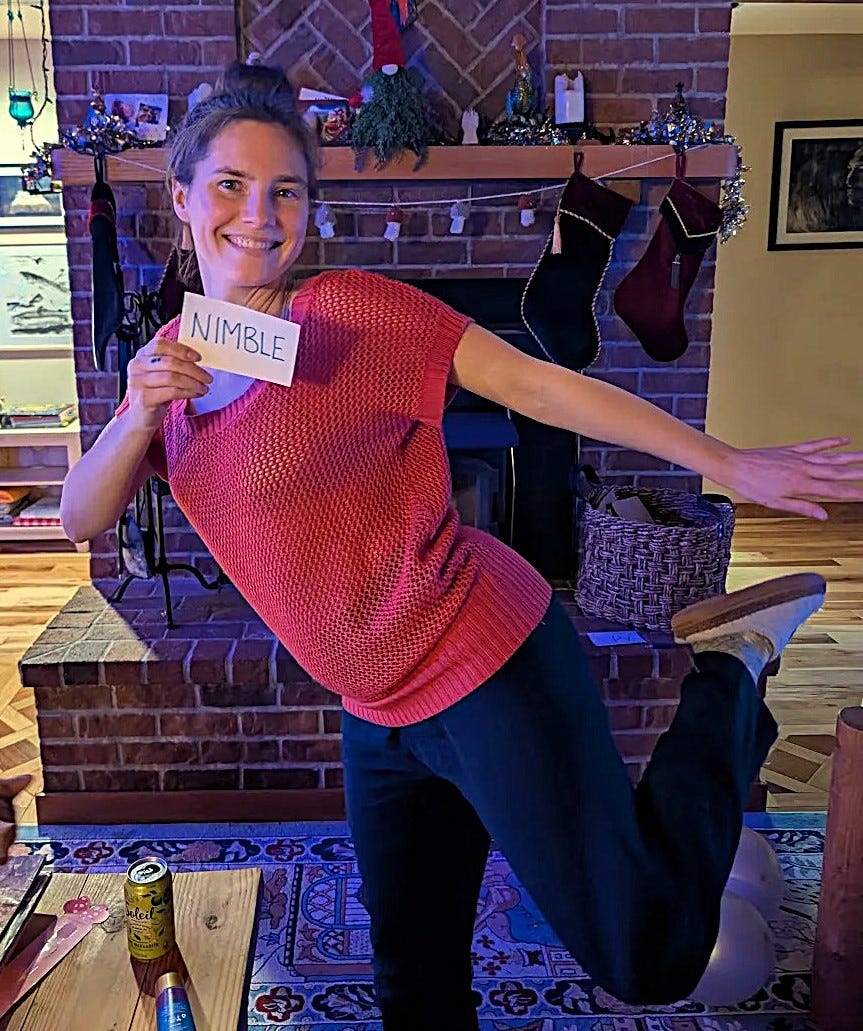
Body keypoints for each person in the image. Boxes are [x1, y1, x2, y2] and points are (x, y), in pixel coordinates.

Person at [56, 60, 863, 1028]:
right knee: (413, 976)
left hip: (484, 658)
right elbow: (79, 516)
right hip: (375, 709)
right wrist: (138, 412)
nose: (258, 215)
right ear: (182, 196)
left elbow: (534, 385)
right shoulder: (171, 370)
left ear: (309, 208)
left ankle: (731, 663)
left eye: (287, 191)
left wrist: (725, 459)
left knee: (647, 950)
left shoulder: (345, 314)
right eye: (230, 184)